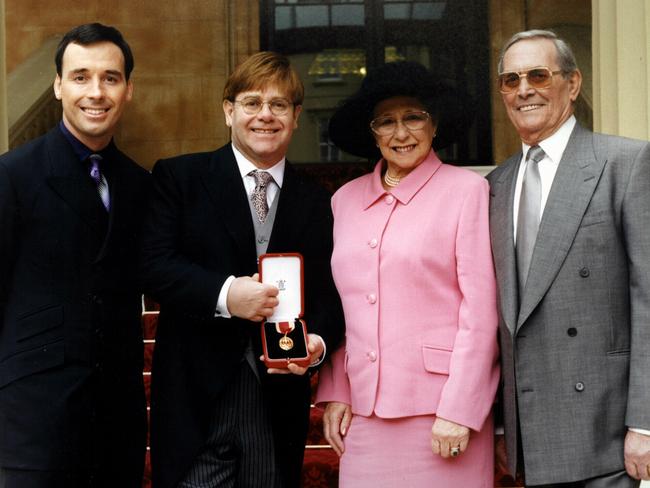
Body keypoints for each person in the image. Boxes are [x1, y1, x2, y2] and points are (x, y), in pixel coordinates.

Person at [139, 51, 344, 488]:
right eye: (252, 103)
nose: (265, 116)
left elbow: (331, 294)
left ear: (295, 116)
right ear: (228, 111)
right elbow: (154, 264)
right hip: (196, 398)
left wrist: (318, 345)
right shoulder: (180, 177)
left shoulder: (318, 200)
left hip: (276, 403)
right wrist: (226, 295)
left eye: (279, 105)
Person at [315, 61, 499, 487]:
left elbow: (481, 311)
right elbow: (347, 306)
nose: (401, 133)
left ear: (434, 126)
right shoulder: (344, 200)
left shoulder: (466, 191)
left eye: (413, 117)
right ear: (372, 132)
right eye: (387, 122)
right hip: (365, 410)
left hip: (442, 412)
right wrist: (337, 391)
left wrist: (460, 409)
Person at [488, 29, 650, 487]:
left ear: (573, 84)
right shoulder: (496, 185)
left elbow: (649, 298)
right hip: (531, 434)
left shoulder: (625, 163)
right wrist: (502, 425)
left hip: (607, 435)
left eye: (538, 75)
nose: (523, 90)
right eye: (510, 80)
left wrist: (646, 422)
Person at [0, 23, 148, 488]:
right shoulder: (13, 175)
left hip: (116, 423)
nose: (96, 92)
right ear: (58, 86)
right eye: (81, 76)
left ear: (128, 90)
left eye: (111, 77)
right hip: (33, 424)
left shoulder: (140, 185)